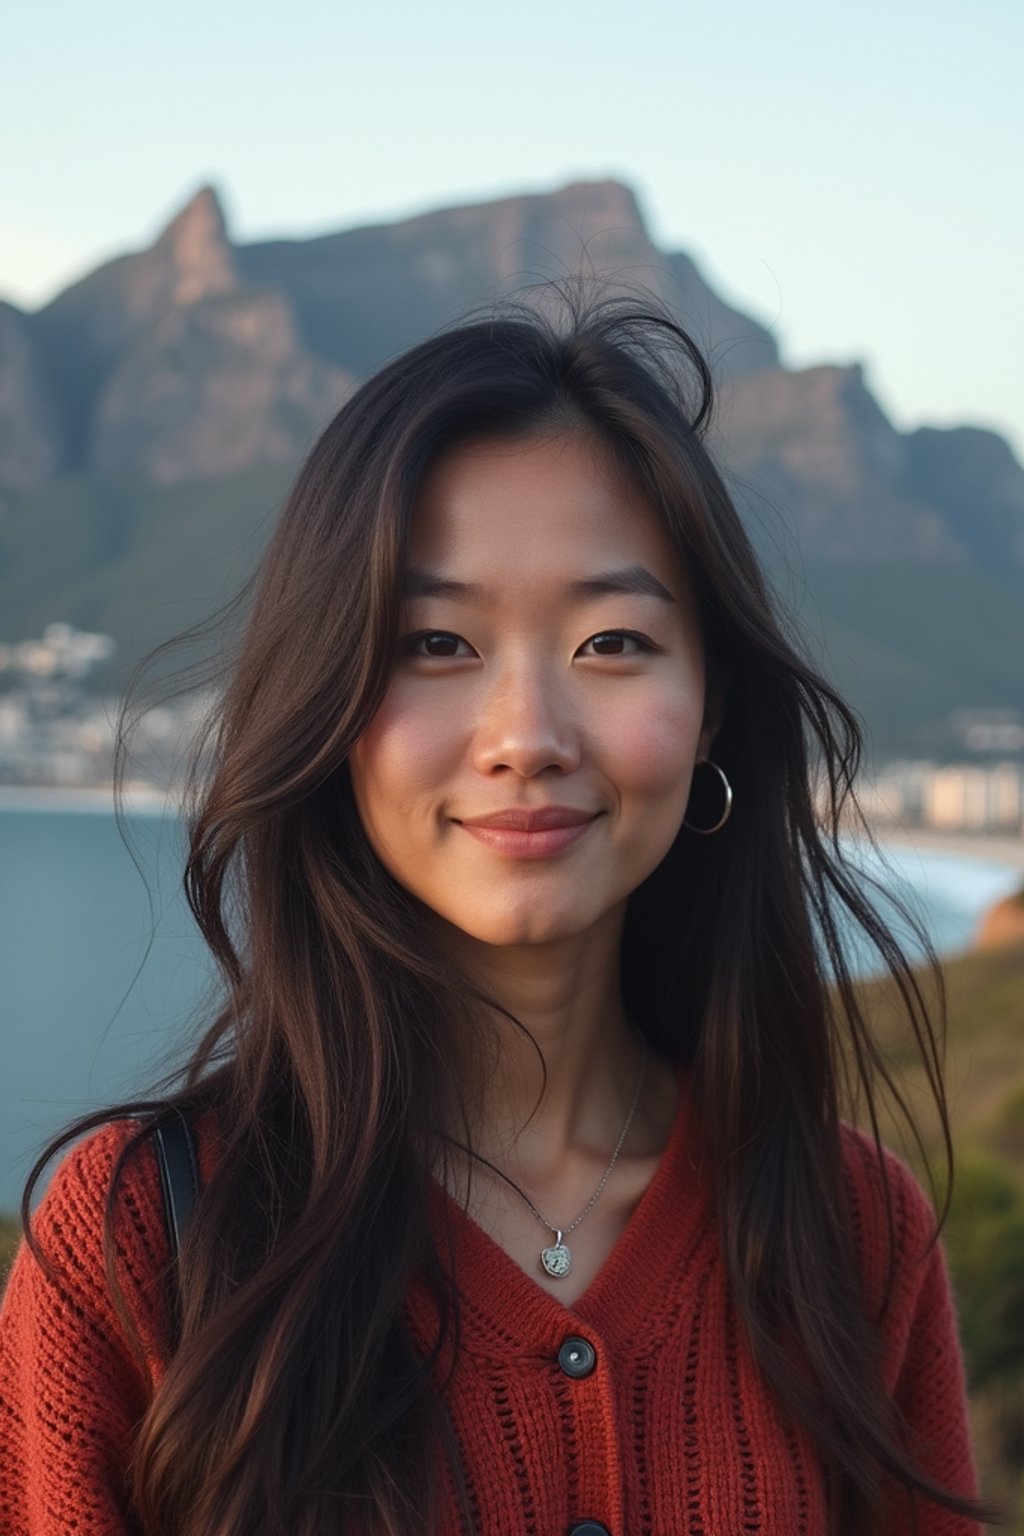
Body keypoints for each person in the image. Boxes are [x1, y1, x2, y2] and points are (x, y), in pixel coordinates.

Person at [0, 295, 990, 1535]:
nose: (525, 736)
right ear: (332, 703)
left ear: (712, 705)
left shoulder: (849, 1230)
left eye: (612, 640)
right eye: (435, 643)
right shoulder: (140, 1242)